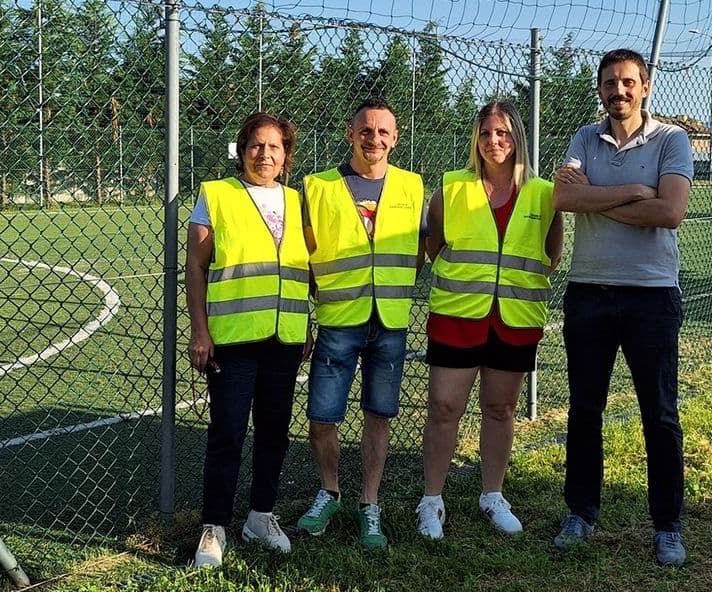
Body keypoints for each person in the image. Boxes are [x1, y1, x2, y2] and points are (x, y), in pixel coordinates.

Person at [551, 49, 693, 566]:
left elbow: (670, 211)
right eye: (610, 83)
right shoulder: (585, 138)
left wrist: (599, 194)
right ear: (600, 89)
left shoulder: (672, 139)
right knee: (585, 409)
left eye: (628, 82)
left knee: (660, 413)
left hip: (651, 295)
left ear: (645, 86)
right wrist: (634, 191)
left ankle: (668, 525)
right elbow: (564, 200)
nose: (619, 91)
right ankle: (581, 512)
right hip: (588, 291)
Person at [416, 101, 563, 539]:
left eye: (502, 133)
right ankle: (431, 500)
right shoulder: (451, 189)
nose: (493, 141)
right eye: (485, 133)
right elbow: (434, 247)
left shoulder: (544, 193)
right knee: (444, 408)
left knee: (500, 409)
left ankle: (493, 495)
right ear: (475, 139)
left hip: (514, 320)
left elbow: (552, 254)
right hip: (457, 317)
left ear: (517, 136)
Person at [296, 98, 425, 549]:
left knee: (379, 414)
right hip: (338, 319)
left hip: (390, 320)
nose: (374, 139)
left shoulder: (412, 185)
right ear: (350, 134)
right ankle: (329, 492)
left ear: (395, 138)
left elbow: (420, 250)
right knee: (321, 417)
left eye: (383, 132)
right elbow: (302, 256)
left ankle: (370, 503)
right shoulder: (318, 186)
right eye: (366, 130)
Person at [186, 112, 312, 568]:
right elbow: (196, 266)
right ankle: (214, 526)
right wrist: (200, 331)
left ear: (286, 155)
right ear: (242, 150)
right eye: (256, 145)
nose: (265, 154)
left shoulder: (297, 201)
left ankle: (261, 516)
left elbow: (302, 269)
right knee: (228, 434)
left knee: (275, 433)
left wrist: (305, 324)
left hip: (285, 338)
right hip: (234, 339)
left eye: (274, 147)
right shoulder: (217, 195)